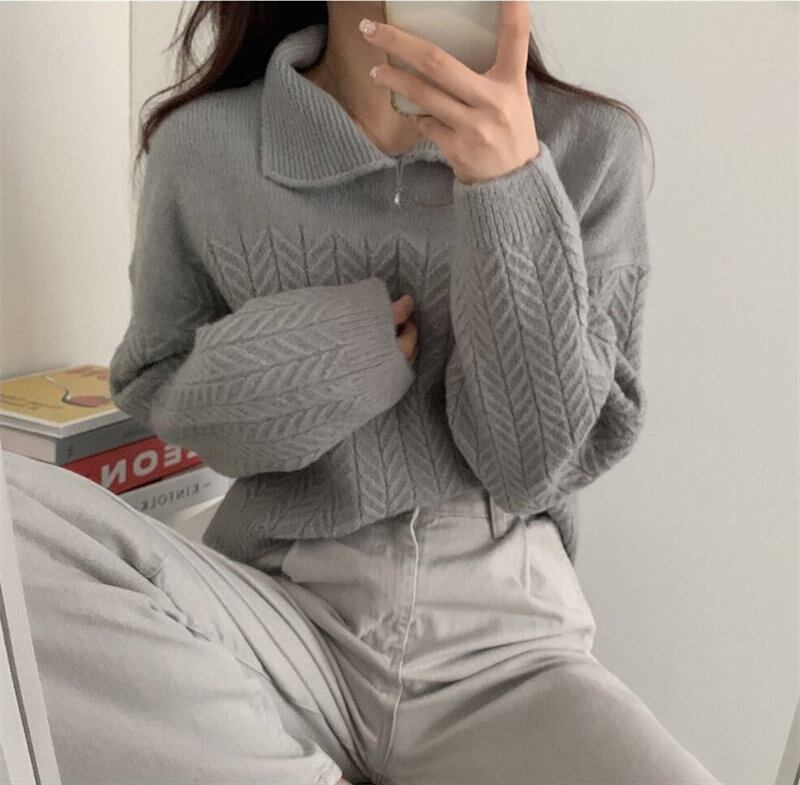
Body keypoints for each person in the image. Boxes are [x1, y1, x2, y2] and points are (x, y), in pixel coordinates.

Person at [12, 1, 722, 783]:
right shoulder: (202, 146)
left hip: (506, 652)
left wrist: (512, 185)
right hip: (277, 622)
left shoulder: (591, 146)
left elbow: (533, 467)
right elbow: (157, 386)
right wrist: (331, 353)